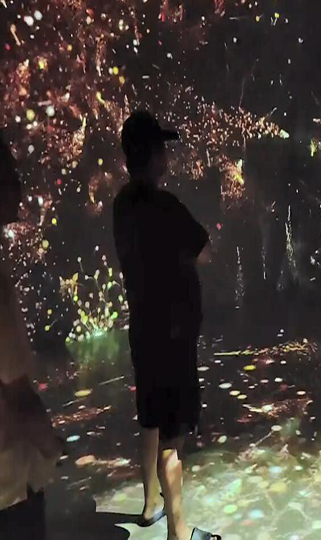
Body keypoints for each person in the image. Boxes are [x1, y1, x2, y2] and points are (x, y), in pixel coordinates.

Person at [113, 111, 219, 540]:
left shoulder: (122, 205)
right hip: (173, 337)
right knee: (173, 438)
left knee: (151, 418)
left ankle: (149, 505)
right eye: (162, 149)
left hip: (144, 332)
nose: (167, 156)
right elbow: (205, 251)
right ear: (154, 156)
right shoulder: (166, 206)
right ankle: (179, 531)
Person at [0, 133, 63, 537]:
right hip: (9, 485)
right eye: (7, 173)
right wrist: (52, 447)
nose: (18, 183)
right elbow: (18, 397)